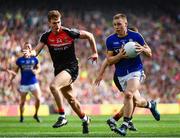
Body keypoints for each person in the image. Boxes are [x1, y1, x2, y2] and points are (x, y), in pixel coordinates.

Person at [29, 10, 98, 134]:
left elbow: (90, 35)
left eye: (59, 22)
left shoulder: (69, 32)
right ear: (49, 23)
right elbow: (36, 50)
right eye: (54, 23)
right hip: (59, 70)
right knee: (71, 99)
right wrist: (31, 54)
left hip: (71, 68)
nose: (57, 25)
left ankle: (62, 116)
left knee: (53, 86)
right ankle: (85, 119)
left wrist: (94, 52)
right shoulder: (46, 36)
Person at [104, 13, 160, 136]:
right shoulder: (110, 40)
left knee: (128, 95)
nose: (117, 27)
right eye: (114, 25)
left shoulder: (136, 36)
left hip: (136, 70)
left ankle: (124, 125)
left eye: (119, 24)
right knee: (136, 101)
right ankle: (151, 105)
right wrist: (119, 56)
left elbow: (149, 53)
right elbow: (109, 60)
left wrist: (143, 49)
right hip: (121, 74)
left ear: (126, 24)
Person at [95, 27, 139, 132]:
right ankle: (150, 106)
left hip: (130, 75)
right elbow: (107, 61)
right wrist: (100, 75)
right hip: (120, 76)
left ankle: (121, 120)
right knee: (135, 99)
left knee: (132, 99)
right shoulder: (118, 46)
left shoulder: (134, 47)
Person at [9, 42, 41, 123]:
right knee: (22, 102)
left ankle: (36, 114)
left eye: (29, 47)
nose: (27, 48)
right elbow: (15, 72)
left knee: (38, 99)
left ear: (31, 49)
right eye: (26, 47)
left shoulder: (35, 59)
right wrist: (11, 80)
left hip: (33, 82)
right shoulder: (20, 60)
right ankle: (21, 116)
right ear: (23, 49)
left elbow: (39, 68)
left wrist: (36, 72)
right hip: (24, 84)